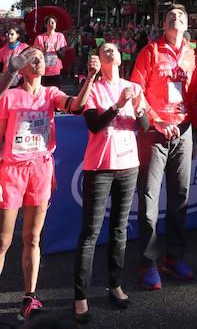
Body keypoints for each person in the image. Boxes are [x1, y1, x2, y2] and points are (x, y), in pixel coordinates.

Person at [0, 47, 99, 322]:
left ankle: (29, 298)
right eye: (32, 57)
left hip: (41, 170)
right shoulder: (10, 95)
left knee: (32, 238)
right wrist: (11, 70)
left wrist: (90, 77)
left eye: (42, 57)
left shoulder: (50, 94)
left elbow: (76, 106)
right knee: (3, 240)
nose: (39, 60)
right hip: (11, 171)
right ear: (23, 64)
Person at [73, 43, 149, 323]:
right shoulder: (92, 86)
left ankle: (115, 285)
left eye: (114, 49)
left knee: (119, 228)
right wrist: (118, 105)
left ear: (121, 56)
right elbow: (94, 125)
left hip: (128, 165)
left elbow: (144, 127)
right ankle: (80, 296)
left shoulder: (133, 86)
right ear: (99, 59)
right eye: (105, 49)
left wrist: (139, 109)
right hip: (100, 167)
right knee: (90, 232)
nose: (110, 52)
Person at [130, 4, 197, 290]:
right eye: (171, 16)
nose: (176, 19)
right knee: (149, 201)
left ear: (186, 26)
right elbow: (136, 90)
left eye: (181, 17)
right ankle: (148, 262)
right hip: (155, 134)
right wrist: (156, 122)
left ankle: (174, 257)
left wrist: (192, 130)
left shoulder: (192, 53)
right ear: (164, 23)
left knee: (180, 198)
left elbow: (193, 93)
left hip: (183, 130)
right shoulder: (150, 51)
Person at [34, 17, 67, 87]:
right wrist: (44, 50)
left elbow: (63, 56)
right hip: (43, 70)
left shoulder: (60, 36)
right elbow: (35, 57)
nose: (52, 24)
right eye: (50, 22)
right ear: (45, 25)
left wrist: (57, 50)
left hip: (56, 70)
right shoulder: (39, 38)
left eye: (54, 22)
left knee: (56, 93)